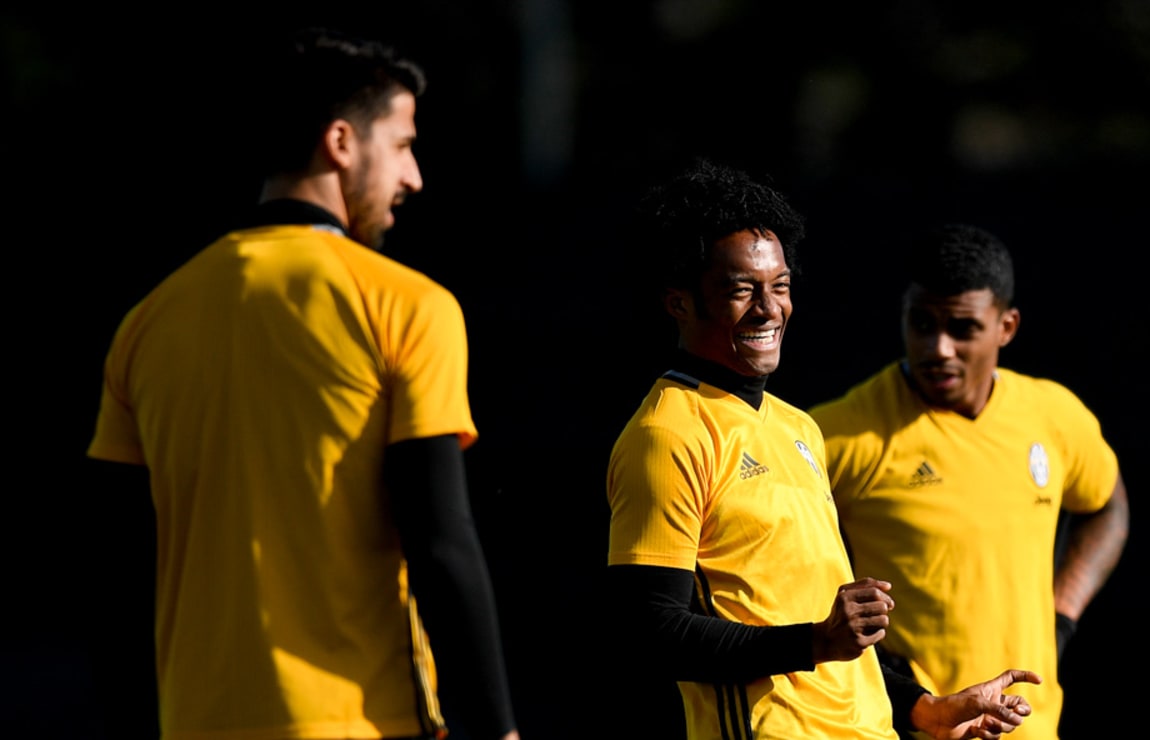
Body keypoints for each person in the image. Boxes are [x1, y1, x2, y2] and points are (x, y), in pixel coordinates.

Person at [85, 28, 520, 740]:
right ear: (341, 141)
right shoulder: (409, 305)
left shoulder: (147, 322)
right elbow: (440, 540)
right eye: (403, 145)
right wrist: (497, 728)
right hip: (363, 720)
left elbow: (117, 571)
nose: (414, 177)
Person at [605, 159, 1042, 740]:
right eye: (741, 290)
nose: (769, 308)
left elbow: (830, 637)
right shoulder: (668, 433)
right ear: (679, 303)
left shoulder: (798, 427)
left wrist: (925, 708)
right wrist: (813, 642)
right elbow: (648, 631)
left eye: (780, 286)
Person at [808, 223, 1129, 740]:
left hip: (1032, 727)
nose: (938, 347)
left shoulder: (1053, 415)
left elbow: (1108, 504)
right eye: (922, 323)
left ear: (1006, 326)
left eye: (962, 328)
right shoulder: (837, 434)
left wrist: (1061, 617)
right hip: (909, 728)